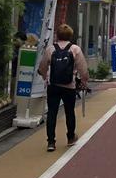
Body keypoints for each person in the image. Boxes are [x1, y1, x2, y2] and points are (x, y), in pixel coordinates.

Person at [38, 23, 89, 152]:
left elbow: (42, 67)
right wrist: (84, 82)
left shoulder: (51, 49)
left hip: (53, 85)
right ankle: (70, 137)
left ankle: (51, 142)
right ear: (70, 35)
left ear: (57, 35)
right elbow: (83, 69)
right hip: (69, 86)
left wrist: (45, 77)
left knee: (52, 113)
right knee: (69, 112)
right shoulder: (75, 49)